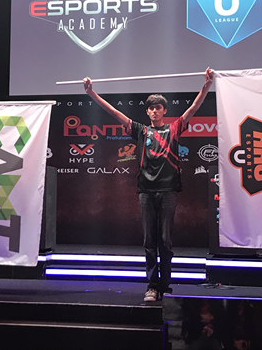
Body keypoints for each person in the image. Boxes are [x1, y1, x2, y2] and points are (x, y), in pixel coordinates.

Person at [83, 68, 214, 302]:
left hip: (168, 191)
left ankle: (165, 285)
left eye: (158, 107)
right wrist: (91, 93)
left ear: (164, 111)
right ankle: (152, 286)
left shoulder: (174, 128)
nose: (155, 111)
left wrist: (206, 86)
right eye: (151, 108)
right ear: (147, 112)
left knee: (165, 241)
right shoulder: (141, 131)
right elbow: (113, 112)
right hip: (146, 191)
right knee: (149, 241)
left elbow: (194, 108)